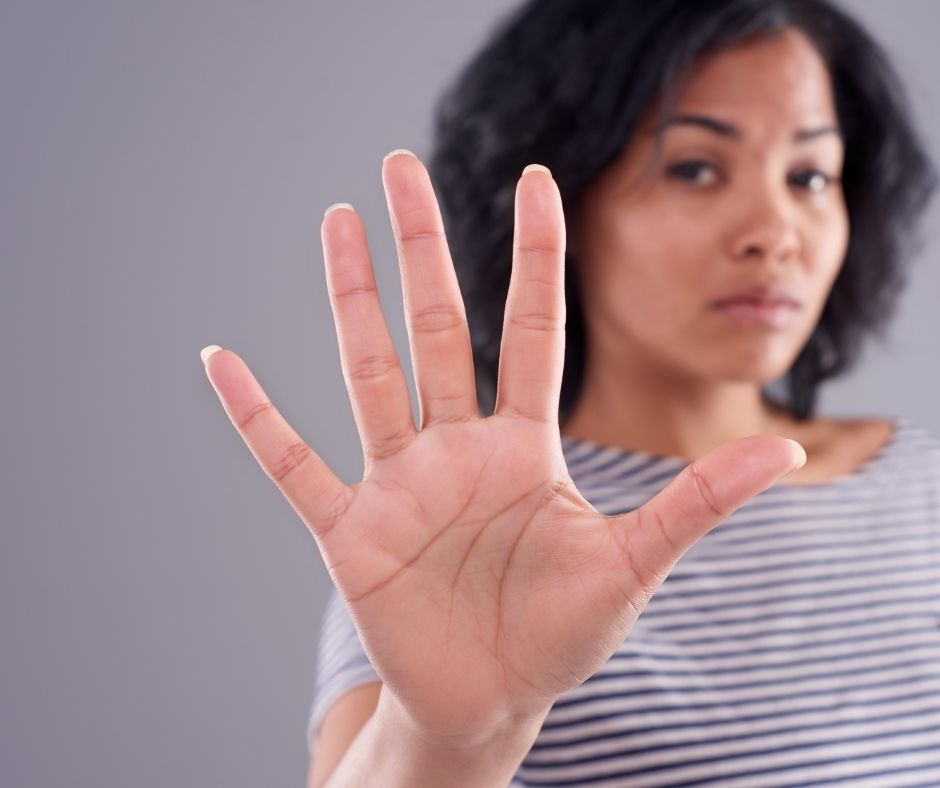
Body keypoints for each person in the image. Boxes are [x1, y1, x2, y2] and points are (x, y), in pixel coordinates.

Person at [200, 0, 940, 785]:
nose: (776, 228)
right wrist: (448, 741)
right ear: (560, 196)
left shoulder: (926, 479)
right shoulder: (464, 545)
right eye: (695, 168)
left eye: (810, 175)